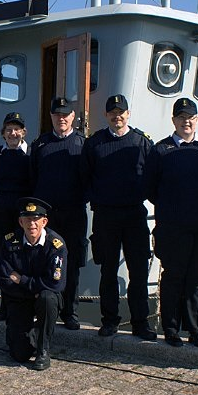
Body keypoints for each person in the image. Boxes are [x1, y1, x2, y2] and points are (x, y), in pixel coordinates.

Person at [144, 98, 198, 348]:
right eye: (181, 117)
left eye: (190, 117)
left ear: (197, 120)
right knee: (174, 277)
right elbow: (150, 188)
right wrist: (173, 209)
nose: (186, 121)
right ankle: (171, 329)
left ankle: (195, 330)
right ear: (174, 121)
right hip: (173, 227)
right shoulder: (160, 150)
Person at [81, 94, 156, 340]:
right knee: (108, 271)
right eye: (112, 112)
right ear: (106, 115)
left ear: (128, 114)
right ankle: (110, 321)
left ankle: (140, 323)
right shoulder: (95, 143)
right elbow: (86, 177)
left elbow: (153, 178)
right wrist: (100, 198)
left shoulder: (142, 142)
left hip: (134, 214)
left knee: (138, 273)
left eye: (121, 112)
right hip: (106, 216)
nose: (117, 116)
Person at [29, 97, 86, 330]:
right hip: (47, 217)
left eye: (65, 115)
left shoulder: (83, 144)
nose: (61, 118)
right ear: (51, 117)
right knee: (44, 262)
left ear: (73, 117)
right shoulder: (40, 145)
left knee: (70, 264)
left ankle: (69, 312)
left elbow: (89, 178)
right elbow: (32, 178)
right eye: (57, 115)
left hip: (73, 214)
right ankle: (44, 310)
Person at [0, 197, 65, 371]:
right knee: (18, 354)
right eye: (27, 219)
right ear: (20, 221)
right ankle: (30, 333)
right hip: (21, 299)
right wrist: (32, 290)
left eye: (36, 219)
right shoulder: (10, 242)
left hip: (42, 297)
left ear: (44, 221)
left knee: (48, 298)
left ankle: (43, 350)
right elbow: (3, 279)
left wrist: (23, 280)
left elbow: (55, 285)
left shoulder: (56, 245)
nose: (31, 224)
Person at [0, 112, 32, 322]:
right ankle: (5, 307)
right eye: (9, 130)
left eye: (17, 129)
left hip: (22, 215)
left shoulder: (31, 155)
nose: (13, 133)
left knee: (23, 261)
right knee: (5, 260)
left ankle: (22, 308)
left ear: (23, 132)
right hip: (2, 212)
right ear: (3, 133)